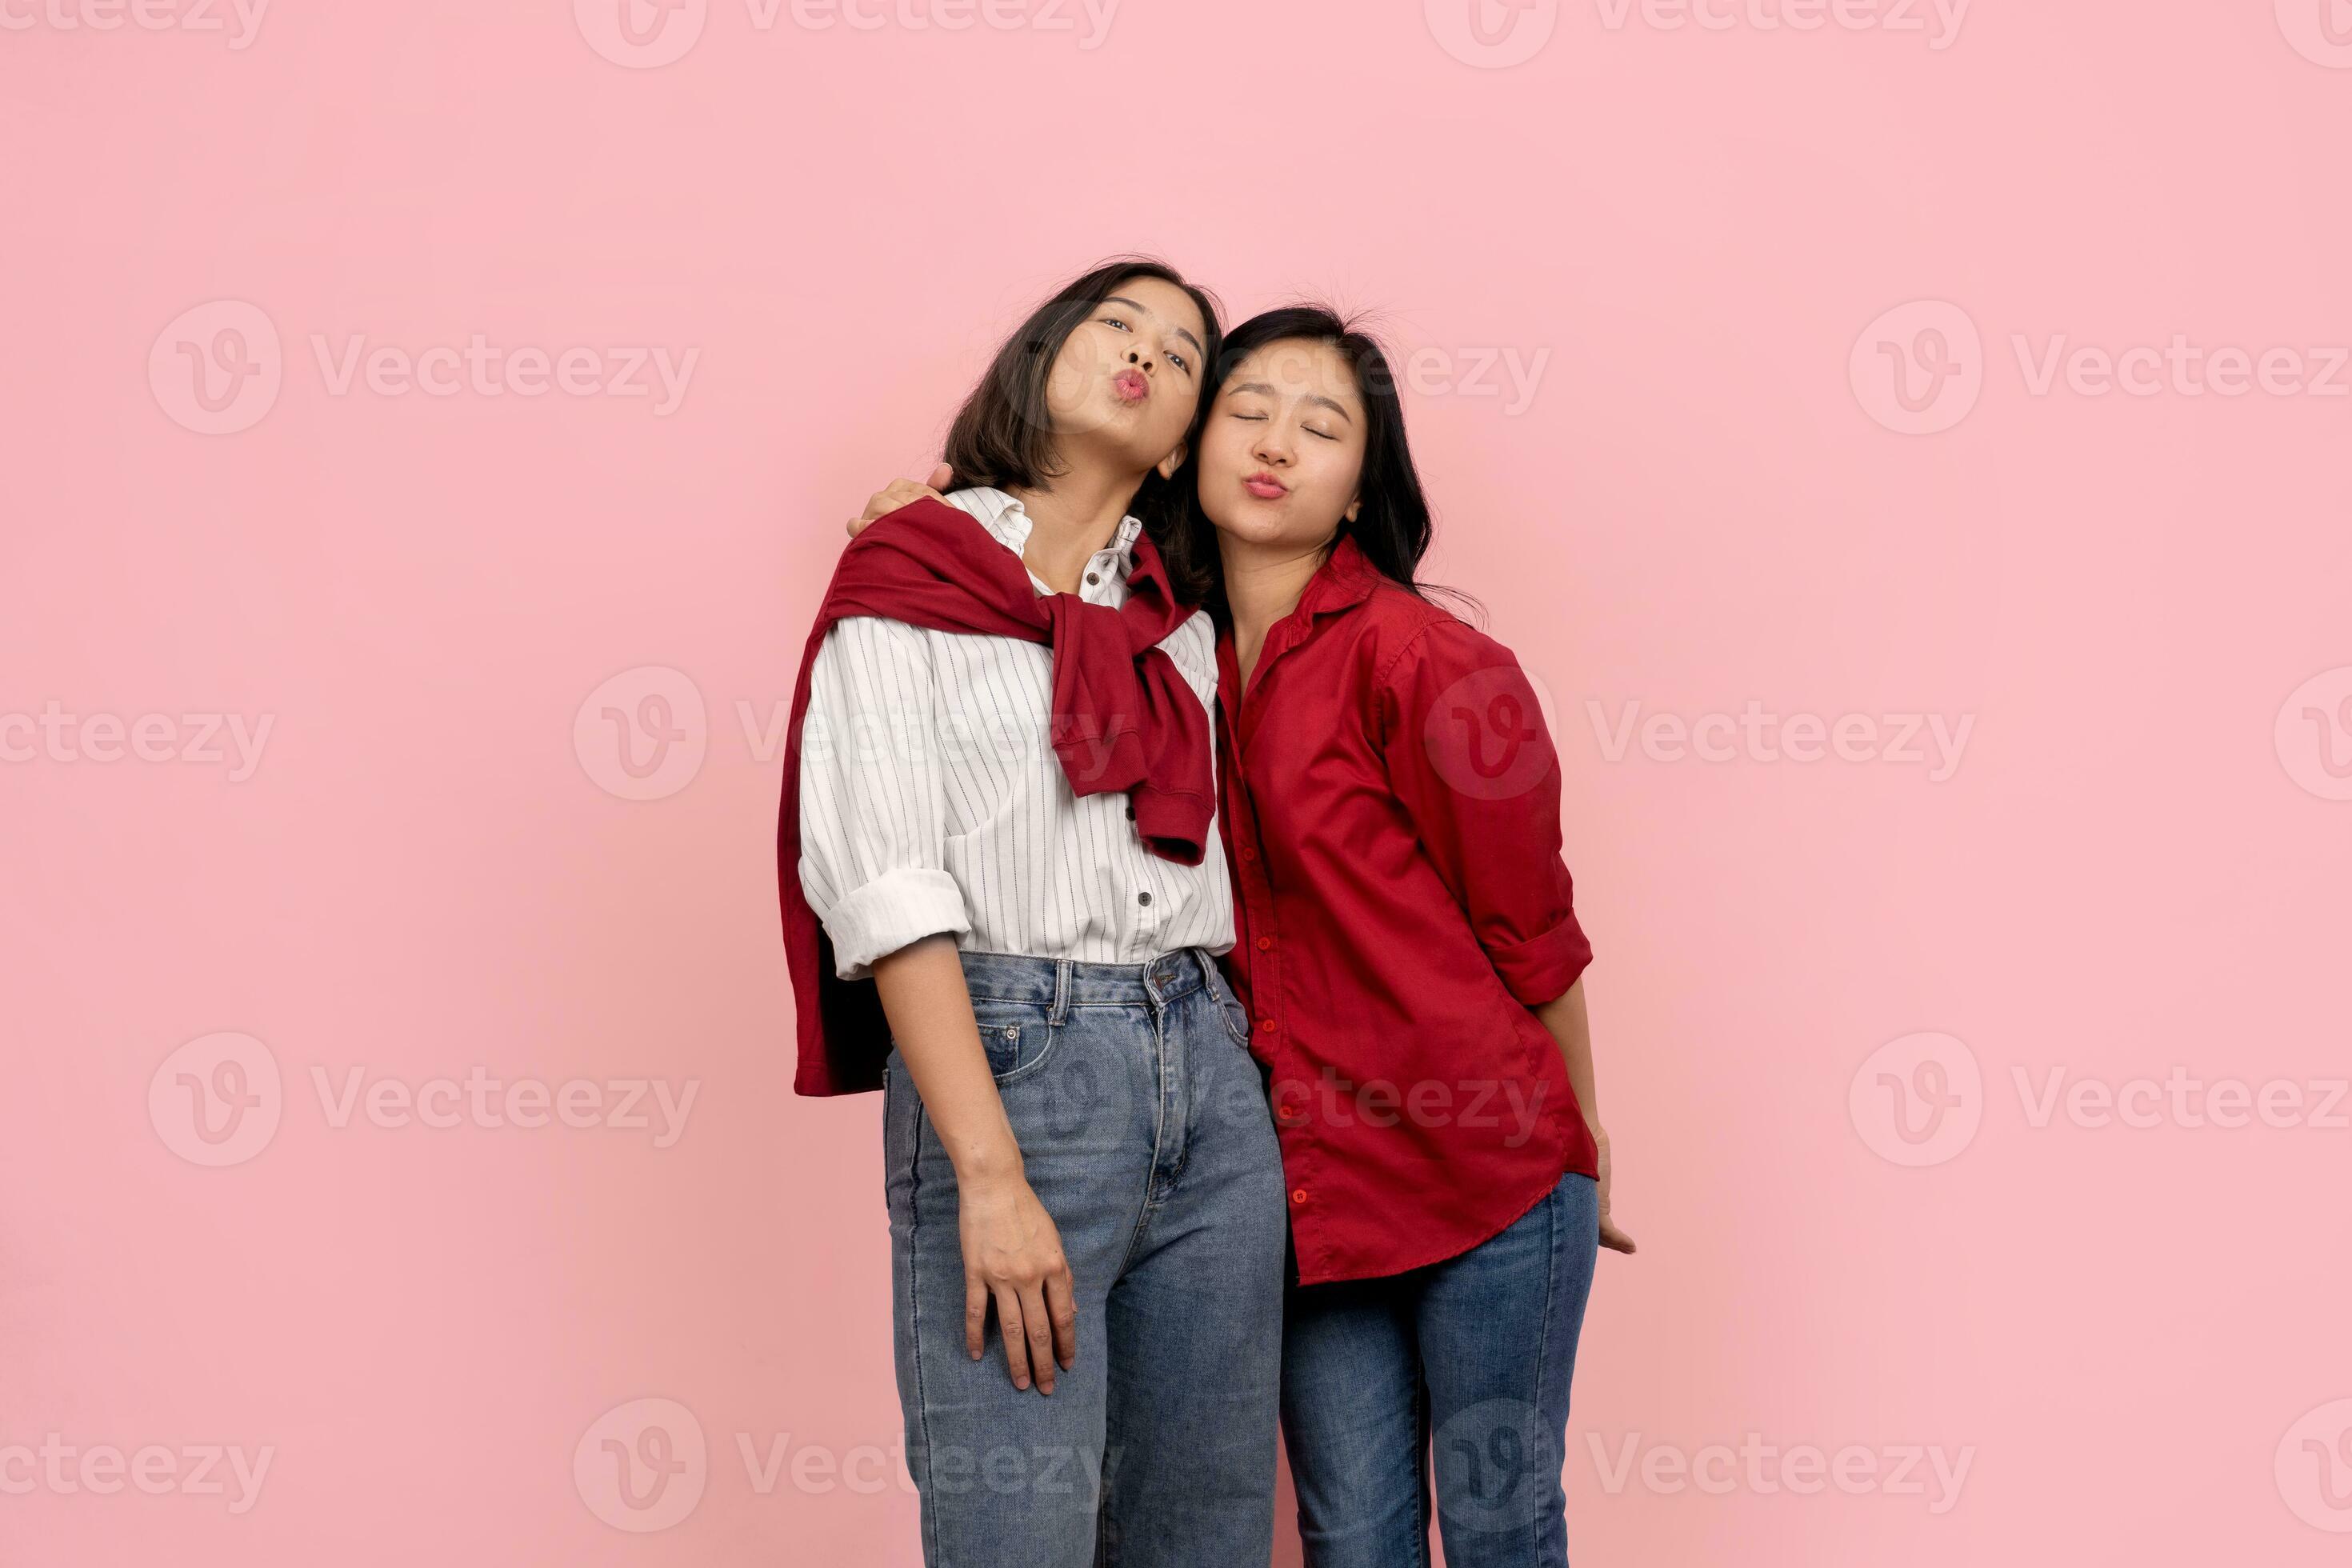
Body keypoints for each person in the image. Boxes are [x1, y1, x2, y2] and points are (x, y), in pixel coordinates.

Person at [782, 258, 1288, 1568]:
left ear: (1186, 445)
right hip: (1012, 1064)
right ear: (1042, 356)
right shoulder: (913, 570)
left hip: (1211, 1077)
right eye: (1117, 324)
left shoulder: (1181, 620)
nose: (1146, 354)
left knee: (1208, 1534)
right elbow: (887, 889)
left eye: (1183, 356)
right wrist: (990, 1178)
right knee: (1018, 1536)